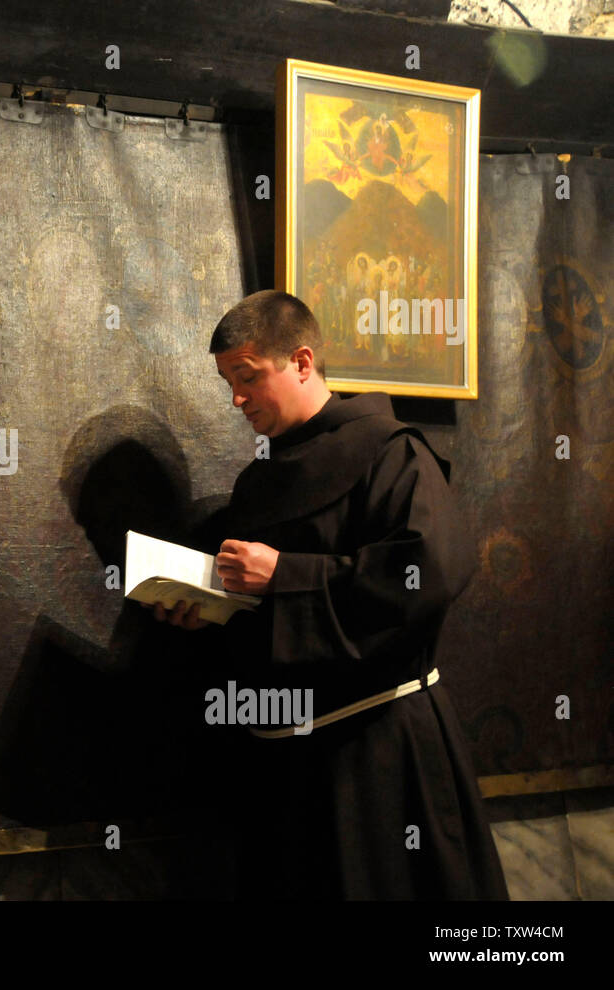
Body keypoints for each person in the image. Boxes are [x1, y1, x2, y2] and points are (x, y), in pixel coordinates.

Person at [155, 290, 507, 899]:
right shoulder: (258, 482)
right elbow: (268, 621)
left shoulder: (393, 451)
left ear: (301, 361)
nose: (236, 399)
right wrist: (209, 614)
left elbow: (429, 575)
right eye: (227, 382)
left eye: (247, 377)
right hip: (283, 766)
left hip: (378, 753)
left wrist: (285, 574)